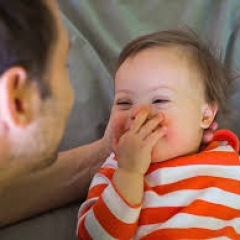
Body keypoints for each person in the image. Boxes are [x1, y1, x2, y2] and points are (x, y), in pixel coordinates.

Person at [0, 1, 216, 228]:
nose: (139, 113)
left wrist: (103, 154)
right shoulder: (114, 180)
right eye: (65, 66)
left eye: (160, 100)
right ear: (18, 100)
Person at [77, 30, 240, 239]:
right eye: (124, 103)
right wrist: (129, 173)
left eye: (159, 101)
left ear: (206, 114)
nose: (139, 114)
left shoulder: (228, 161)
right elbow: (93, 236)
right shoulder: (115, 170)